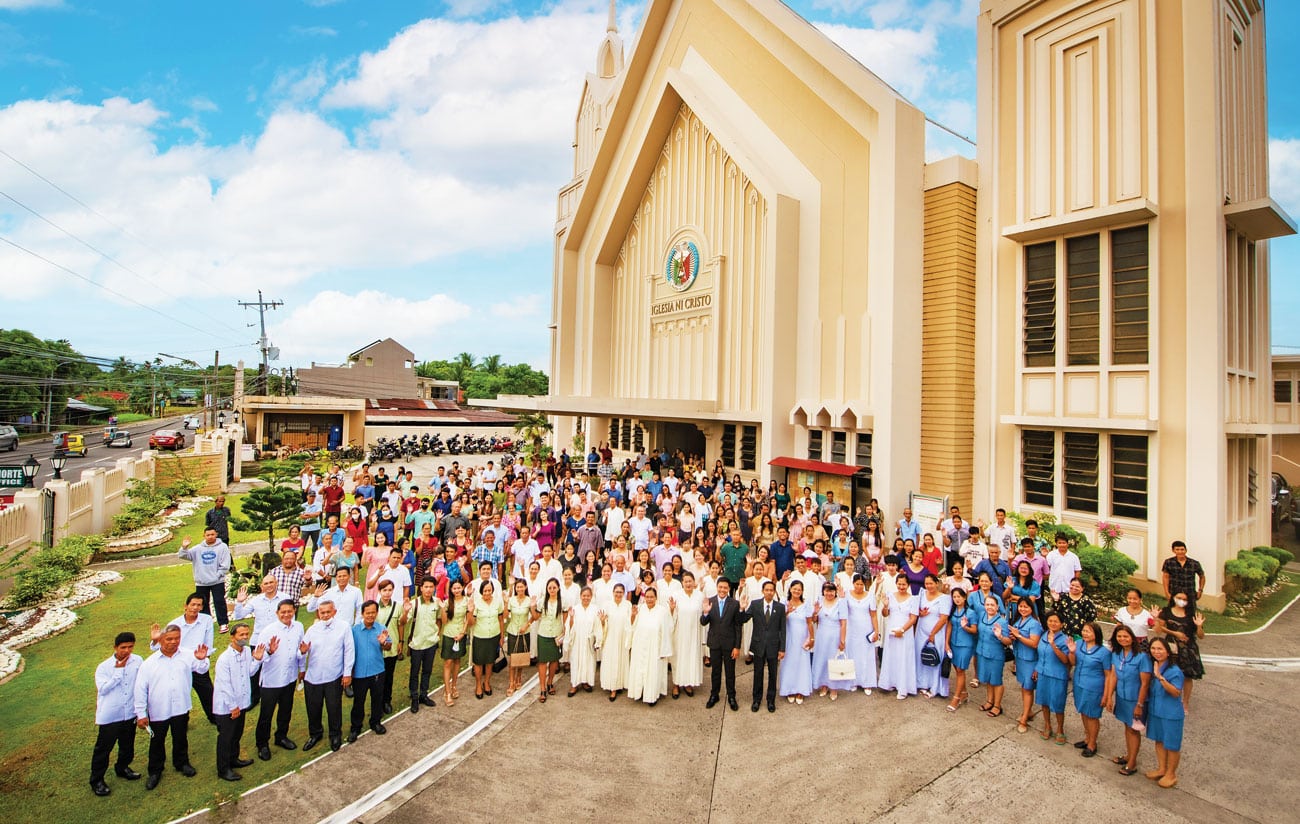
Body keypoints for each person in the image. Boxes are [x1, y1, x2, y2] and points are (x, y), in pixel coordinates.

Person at [133, 624, 210, 790]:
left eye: (177, 638)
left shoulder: (188, 655)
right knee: (157, 741)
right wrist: (141, 714)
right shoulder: (149, 663)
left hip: (181, 706)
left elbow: (202, 670)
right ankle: (155, 771)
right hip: (159, 710)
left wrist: (202, 659)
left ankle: (182, 763)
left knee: (180, 736)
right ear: (160, 640)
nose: (173, 642)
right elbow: (140, 689)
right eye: (169, 639)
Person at [90, 632, 143, 796]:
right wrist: (118, 672)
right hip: (111, 716)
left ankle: (122, 768)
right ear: (115, 648)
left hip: (129, 713)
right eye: (123, 647)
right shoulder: (104, 667)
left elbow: (142, 683)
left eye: (130, 647)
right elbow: (104, 689)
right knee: (104, 749)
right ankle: (97, 780)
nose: (127, 651)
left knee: (127, 746)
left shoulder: (138, 661)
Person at [151, 592, 216, 724]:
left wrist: (203, 659)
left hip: (198, 663)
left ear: (202, 607)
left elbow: (208, 643)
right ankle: (182, 721)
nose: (195, 608)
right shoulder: (175, 624)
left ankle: (215, 718)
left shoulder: (206, 620)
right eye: (192, 604)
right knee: (181, 695)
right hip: (180, 665)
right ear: (185, 606)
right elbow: (160, 646)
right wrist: (156, 640)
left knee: (208, 693)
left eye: (198, 605)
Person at [299, 599, 355, 753]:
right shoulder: (312, 629)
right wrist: (302, 652)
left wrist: (347, 673)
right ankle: (315, 734)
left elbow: (349, 651)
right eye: (322, 612)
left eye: (328, 612)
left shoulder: (343, 627)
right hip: (313, 677)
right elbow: (302, 651)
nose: (325, 615)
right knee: (313, 708)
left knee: (334, 708)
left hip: (333, 676)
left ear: (334, 612)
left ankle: (335, 734)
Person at [252, 599, 304, 761]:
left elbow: (300, 649)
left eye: (290, 611)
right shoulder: (268, 631)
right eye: (283, 612)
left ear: (294, 611)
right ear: (277, 613)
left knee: (285, 710)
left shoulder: (299, 627)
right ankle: (262, 744)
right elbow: (258, 659)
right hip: (271, 681)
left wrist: (301, 669)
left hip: (289, 678)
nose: (286, 615)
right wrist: (270, 652)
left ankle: (281, 736)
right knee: (266, 714)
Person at [212, 623, 264, 781]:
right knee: (226, 737)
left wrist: (257, 660)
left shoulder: (247, 651)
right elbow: (224, 685)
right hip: (228, 706)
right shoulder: (224, 659)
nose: (244, 637)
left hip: (241, 702)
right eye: (241, 635)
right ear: (232, 637)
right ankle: (223, 769)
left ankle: (233, 759)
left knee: (236, 734)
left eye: (246, 634)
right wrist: (233, 706)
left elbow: (250, 672)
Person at [1107, 624, 1152, 776]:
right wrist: (1109, 697)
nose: (1122, 639)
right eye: (1119, 636)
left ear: (1132, 638)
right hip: (1122, 698)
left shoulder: (1142, 657)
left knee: (1133, 730)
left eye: (1125, 636)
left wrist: (1139, 704)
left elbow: (1145, 683)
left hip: (1135, 700)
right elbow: (1113, 676)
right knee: (1127, 728)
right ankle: (1129, 755)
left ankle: (1132, 763)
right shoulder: (1116, 654)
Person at [1144, 637, 1186, 788]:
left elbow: (1175, 692)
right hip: (1156, 710)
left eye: (1160, 649)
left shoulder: (1174, 671)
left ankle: (1171, 774)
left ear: (1168, 652)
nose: (1156, 652)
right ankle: (1162, 768)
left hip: (1170, 714)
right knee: (1159, 740)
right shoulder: (1153, 665)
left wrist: (1160, 678)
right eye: (1153, 648)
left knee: (1172, 744)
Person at [349, 600, 392, 742]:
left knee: (377, 699)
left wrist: (384, 643)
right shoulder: (354, 631)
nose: (370, 615)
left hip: (377, 671)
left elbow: (388, 646)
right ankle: (355, 727)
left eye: (373, 612)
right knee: (358, 702)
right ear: (362, 614)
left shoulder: (381, 628)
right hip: (359, 673)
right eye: (367, 613)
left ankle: (376, 722)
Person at [1153, 589, 1205, 709]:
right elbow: (1158, 629)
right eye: (1179, 598)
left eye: (1184, 599)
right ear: (1174, 598)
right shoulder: (1166, 611)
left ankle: (1185, 702)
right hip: (1171, 646)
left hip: (1188, 648)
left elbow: (1201, 636)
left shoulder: (1192, 614)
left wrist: (1199, 626)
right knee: (1168, 672)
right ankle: (1167, 696)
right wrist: (1175, 633)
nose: (1181, 601)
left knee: (1187, 675)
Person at [741, 580, 786, 712]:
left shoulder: (780, 607)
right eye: (767, 590)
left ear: (774, 592)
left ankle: (770, 700)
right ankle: (756, 700)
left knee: (773, 674)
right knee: (758, 673)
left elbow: (782, 629)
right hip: (758, 644)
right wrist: (742, 608)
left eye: (771, 590)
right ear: (763, 591)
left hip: (773, 645)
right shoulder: (755, 605)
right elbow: (743, 619)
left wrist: (782, 648)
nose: (769, 592)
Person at [700, 577, 744, 710]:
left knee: (730, 673)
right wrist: (706, 613)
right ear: (717, 587)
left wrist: (737, 646)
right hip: (714, 643)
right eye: (720, 587)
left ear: (729, 589)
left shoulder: (734, 604)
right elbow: (703, 622)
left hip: (729, 644)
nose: (722, 590)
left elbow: (738, 626)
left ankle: (731, 696)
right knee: (716, 671)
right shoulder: (710, 601)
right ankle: (714, 694)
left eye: (725, 588)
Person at [626, 586, 675, 705]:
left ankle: (651, 695)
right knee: (639, 669)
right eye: (647, 597)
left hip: (655, 646)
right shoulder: (640, 608)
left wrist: (664, 650)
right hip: (640, 645)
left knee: (652, 671)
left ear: (656, 598)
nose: (649, 599)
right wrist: (632, 616)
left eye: (651, 597)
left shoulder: (662, 611)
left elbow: (668, 629)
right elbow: (632, 626)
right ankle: (639, 692)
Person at [1070, 621, 1111, 757]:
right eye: (1084, 630)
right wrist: (1071, 652)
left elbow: (1108, 674)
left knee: (1092, 715)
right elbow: (1073, 662)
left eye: (1088, 631)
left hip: (1094, 688)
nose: (1085, 633)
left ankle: (1092, 743)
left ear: (1096, 634)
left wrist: (1106, 695)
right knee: (1083, 711)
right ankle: (1087, 738)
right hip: (1079, 684)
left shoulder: (1103, 652)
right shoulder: (1079, 644)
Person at [178, 528, 232, 631]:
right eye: (208, 535)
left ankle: (223, 623)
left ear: (216, 534)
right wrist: (184, 547)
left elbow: (225, 564)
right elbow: (183, 555)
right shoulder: (198, 548)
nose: (210, 537)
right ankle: (206, 624)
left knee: (219, 601)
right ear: (204, 536)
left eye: (212, 534)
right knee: (202, 604)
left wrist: (218, 575)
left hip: (217, 581)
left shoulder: (222, 547)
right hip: (201, 583)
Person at [878, 574, 919, 699]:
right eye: (899, 584)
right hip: (891, 631)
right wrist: (885, 606)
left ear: (908, 585)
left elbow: (913, 618)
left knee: (904, 658)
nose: (901, 587)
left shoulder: (913, 599)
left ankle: (903, 688)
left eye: (904, 584)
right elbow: (885, 614)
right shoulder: (890, 595)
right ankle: (890, 682)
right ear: (896, 584)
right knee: (892, 657)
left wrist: (902, 630)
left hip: (905, 633)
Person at [667, 571, 705, 698]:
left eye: (690, 581)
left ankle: (688, 682)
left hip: (694, 633)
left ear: (694, 582)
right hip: (679, 632)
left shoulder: (699, 595)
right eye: (685, 581)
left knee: (691, 657)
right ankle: (676, 684)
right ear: (682, 583)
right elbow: (670, 616)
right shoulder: (676, 595)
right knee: (678, 658)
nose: (688, 583)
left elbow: (703, 615)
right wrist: (671, 609)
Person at [1035, 611, 1071, 743]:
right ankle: (1047, 725)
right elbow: (1040, 654)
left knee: (1057, 703)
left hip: (1057, 675)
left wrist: (1053, 645)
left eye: (1056, 621)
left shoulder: (1065, 639)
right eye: (1050, 621)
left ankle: (1060, 729)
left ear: (1061, 624)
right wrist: (1037, 669)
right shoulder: (1044, 634)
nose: (1052, 623)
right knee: (1044, 701)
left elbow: (1065, 660)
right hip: (1043, 673)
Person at [1007, 598, 1042, 733]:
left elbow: (1034, 643)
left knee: (1028, 688)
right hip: (1020, 659)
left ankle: (1024, 719)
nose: (1023, 609)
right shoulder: (1019, 621)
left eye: (1026, 607)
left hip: (1030, 660)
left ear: (1032, 608)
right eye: (1021, 606)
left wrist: (1018, 636)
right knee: (1024, 687)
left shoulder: (1034, 624)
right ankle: (1029, 711)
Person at [972, 593, 1010, 718]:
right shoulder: (982, 616)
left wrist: (1000, 636)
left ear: (998, 607)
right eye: (987, 604)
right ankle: (989, 701)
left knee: (996, 680)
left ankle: (997, 706)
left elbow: (1008, 641)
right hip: (982, 652)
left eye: (992, 605)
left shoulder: (1002, 622)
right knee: (988, 679)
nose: (989, 607)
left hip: (995, 655)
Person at [810, 583, 850, 700]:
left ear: (835, 592)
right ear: (823, 592)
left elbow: (843, 623)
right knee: (822, 660)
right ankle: (823, 685)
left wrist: (842, 640)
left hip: (835, 634)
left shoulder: (841, 602)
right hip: (822, 634)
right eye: (827, 591)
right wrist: (815, 613)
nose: (829, 593)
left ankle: (834, 688)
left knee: (834, 661)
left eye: (832, 591)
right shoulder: (820, 601)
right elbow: (814, 620)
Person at [467, 579, 505, 700]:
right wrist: (470, 611)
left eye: (489, 590)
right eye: (485, 591)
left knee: (490, 661)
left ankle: (487, 682)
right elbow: (471, 622)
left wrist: (502, 636)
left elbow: (500, 619)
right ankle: (478, 684)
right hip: (480, 636)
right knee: (478, 663)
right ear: (481, 591)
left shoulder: (497, 602)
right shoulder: (477, 603)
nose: (487, 593)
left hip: (494, 635)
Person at [915, 574, 951, 699]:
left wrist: (933, 633)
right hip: (921, 630)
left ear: (937, 583)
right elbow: (916, 610)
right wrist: (920, 613)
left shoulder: (945, 598)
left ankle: (935, 687)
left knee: (935, 658)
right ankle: (923, 683)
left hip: (937, 632)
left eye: (931, 583)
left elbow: (944, 618)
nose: (928, 586)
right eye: (926, 583)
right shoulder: (922, 594)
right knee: (922, 656)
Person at [778, 581, 814, 703]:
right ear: (790, 589)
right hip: (788, 638)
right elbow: (779, 621)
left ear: (802, 591)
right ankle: (789, 689)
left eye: (799, 589)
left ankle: (801, 690)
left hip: (802, 639)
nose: (797, 591)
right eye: (794, 589)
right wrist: (787, 612)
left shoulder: (806, 604)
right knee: (789, 663)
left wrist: (812, 638)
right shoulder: (784, 602)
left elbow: (810, 622)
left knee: (802, 664)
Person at [533, 578, 566, 701]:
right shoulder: (542, 601)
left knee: (554, 661)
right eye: (550, 588)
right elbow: (536, 617)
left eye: (554, 587)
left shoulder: (562, 601)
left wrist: (565, 632)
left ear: (558, 588)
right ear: (547, 589)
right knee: (542, 662)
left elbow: (566, 618)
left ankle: (550, 682)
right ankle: (542, 688)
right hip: (544, 634)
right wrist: (532, 606)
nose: (552, 590)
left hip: (556, 635)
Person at [600, 584, 634, 700]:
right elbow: (602, 623)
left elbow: (631, 621)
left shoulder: (627, 605)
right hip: (610, 637)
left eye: (621, 592)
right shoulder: (607, 605)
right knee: (612, 660)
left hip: (623, 637)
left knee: (622, 660)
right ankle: (613, 687)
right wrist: (603, 622)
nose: (618, 594)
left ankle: (620, 684)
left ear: (624, 593)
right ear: (613, 592)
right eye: (616, 592)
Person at [567, 587, 602, 695]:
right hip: (577, 640)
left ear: (591, 597)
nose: (586, 598)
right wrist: (571, 618)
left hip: (589, 641)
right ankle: (574, 684)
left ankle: (586, 682)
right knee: (576, 661)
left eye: (588, 596)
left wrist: (598, 641)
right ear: (580, 596)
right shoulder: (575, 609)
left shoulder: (595, 609)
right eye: (584, 595)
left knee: (588, 662)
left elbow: (598, 626)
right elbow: (569, 627)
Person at [945, 588, 976, 712]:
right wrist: (946, 643)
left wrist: (966, 627)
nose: (957, 599)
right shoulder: (953, 611)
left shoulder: (970, 612)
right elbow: (949, 626)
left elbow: (974, 630)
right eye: (954, 597)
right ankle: (963, 693)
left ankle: (956, 698)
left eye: (959, 596)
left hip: (965, 644)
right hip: (953, 643)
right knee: (956, 668)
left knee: (960, 670)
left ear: (964, 597)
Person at [374, 581, 403, 713]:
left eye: (390, 590)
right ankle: (377, 702)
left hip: (391, 646)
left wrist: (400, 642)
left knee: (389, 676)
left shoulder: (397, 606)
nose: (387, 593)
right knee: (377, 678)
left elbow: (400, 625)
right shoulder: (374, 607)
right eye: (384, 590)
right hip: (377, 648)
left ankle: (387, 700)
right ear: (379, 591)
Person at [440, 580, 469, 706]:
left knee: (457, 660)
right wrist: (442, 609)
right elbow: (445, 621)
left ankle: (454, 685)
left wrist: (462, 633)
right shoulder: (447, 603)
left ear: (463, 588)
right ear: (451, 590)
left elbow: (468, 619)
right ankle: (447, 691)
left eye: (459, 588)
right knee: (448, 662)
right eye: (454, 588)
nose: (457, 590)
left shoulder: (467, 601)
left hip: (461, 634)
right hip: (449, 634)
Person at [1161, 540, 1206, 609]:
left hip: (1190, 594)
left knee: (1190, 615)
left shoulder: (1194, 563)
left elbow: (1202, 576)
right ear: (1173, 551)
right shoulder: (1169, 562)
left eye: (1182, 549)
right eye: (1177, 549)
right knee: (1173, 613)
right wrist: (1167, 593)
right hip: (1174, 593)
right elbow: (1165, 577)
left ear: (1186, 550)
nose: (1180, 552)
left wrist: (1200, 590)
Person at [1046, 535, 1083, 603]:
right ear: (1056, 544)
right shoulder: (1051, 555)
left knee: (1068, 609)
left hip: (1069, 588)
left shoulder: (1074, 557)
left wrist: (1075, 585)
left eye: (1064, 543)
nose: (1062, 545)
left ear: (1067, 543)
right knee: (1055, 609)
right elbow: (1046, 569)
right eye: (1059, 543)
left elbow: (1077, 572)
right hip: (1055, 587)